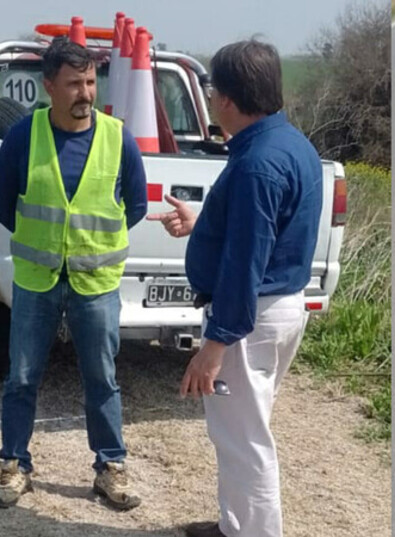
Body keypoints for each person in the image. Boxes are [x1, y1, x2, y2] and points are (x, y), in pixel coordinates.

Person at [147, 39, 323, 537]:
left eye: (211, 91)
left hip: (252, 317)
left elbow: (247, 260)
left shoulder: (256, 164)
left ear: (224, 99)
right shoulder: (289, 145)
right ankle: (237, 525)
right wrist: (204, 222)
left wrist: (214, 345)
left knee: (244, 440)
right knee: (244, 431)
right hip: (277, 308)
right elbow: (265, 229)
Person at [0, 36, 147, 510]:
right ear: (49, 87)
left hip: (95, 283)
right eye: (74, 84)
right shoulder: (24, 136)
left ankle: (110, 468)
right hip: (36, 279)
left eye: (89, 81)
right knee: (21, 377)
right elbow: (4, 204)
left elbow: (136, 207)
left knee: (101, 379)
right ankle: (13, 464)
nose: (85, 92)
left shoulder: (117, 137)